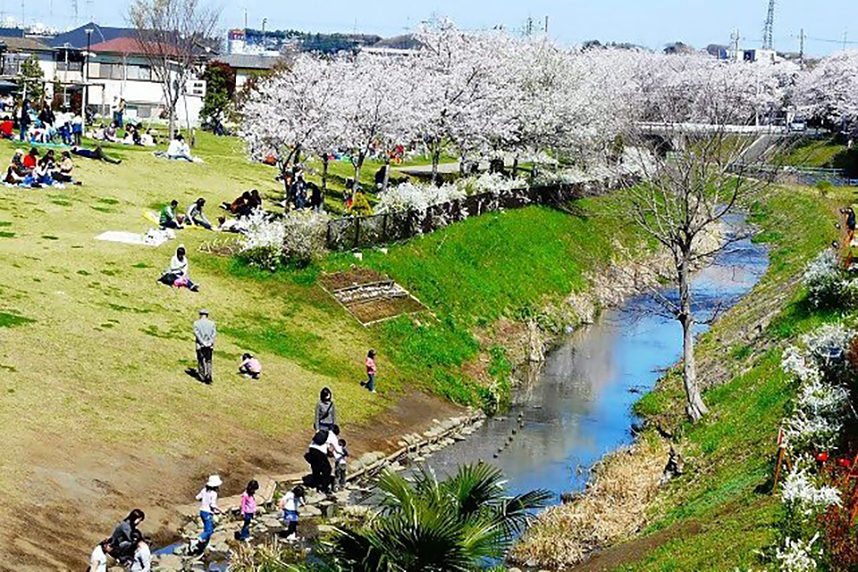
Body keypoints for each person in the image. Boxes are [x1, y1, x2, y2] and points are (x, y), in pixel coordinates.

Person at [194, 474, 222, 550]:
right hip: (208, 513)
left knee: (206, 529)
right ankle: (197, 540)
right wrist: (219, 510)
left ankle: (206, 545)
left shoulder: (204, 490)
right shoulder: (214, 494)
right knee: (209, 530)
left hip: (202, 511)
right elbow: (212, 505)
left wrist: (204, 500)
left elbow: (197, 497)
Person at [304, 429, 333, 493]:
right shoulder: (331, 436)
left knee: (315, 469)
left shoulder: (318, 432)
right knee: (327, 470)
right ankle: (324, 487)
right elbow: (330, 449)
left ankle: (316, 484)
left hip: (312, 450)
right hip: (320, 453)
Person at [194, 309, 216, 384]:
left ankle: (202, 376)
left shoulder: (196, 323)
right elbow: (213, 334)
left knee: (201, 360)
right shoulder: (212, 323)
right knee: (208, 360)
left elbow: (197, 334)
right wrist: (210, 342)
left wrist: (202, 342)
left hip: (200, 345)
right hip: (209, 346)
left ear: (200, 314)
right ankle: (209, 375)